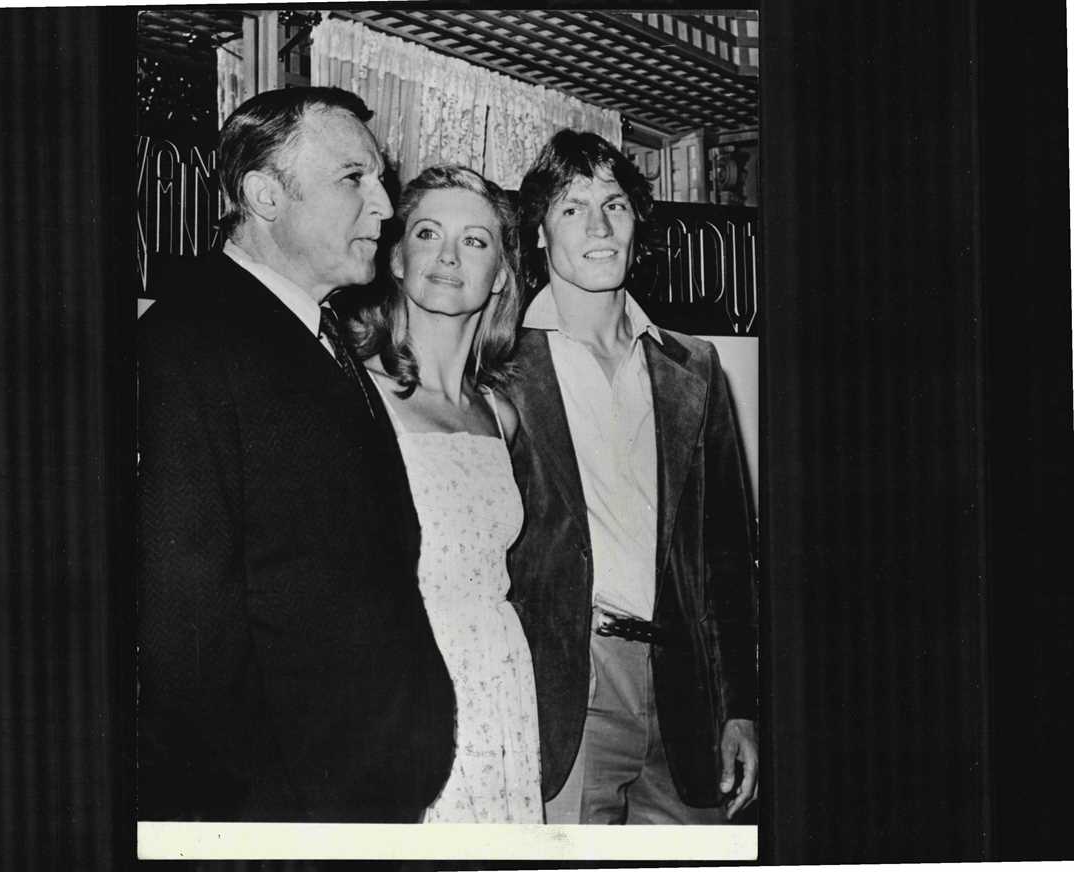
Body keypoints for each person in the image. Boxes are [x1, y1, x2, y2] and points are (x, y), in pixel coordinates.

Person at [136, 87, 455, 823]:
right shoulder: (188, 344)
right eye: (354, 179)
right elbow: (186, 630)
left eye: (380, 179)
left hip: (354, 792)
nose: (383, 206)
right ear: (263, 195)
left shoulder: (317, 332)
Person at [505, 129, 759, 825]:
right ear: (536, 233)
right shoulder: (498, 370)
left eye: (614, 205)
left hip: (685, 693)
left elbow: (727, 559)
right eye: (571, 207)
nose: (598, 226)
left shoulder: (694, 367)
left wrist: (741, 709)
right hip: (568, 693)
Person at [348, 164, 542, 823]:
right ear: (397, 258)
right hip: (404, 693)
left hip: (499, 686)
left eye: (477, 241)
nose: (450, 256)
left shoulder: (499, 411)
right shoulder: (355, 395)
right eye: (428, 233)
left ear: (502, 275)